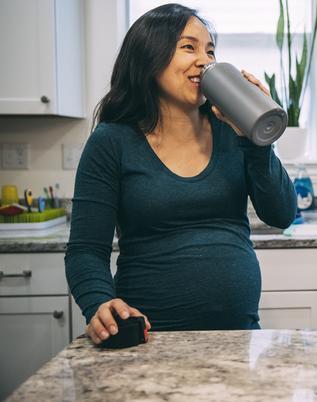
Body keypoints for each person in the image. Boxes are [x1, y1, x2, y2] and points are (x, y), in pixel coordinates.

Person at [65, 3, 297, 344]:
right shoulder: (112, 141)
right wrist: (99, 303)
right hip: (149, 339)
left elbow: (281, 214)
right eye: (189, 47)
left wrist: (256, 141)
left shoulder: (231, 131)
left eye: (210, 50)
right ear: (149, 56)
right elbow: (85, 249)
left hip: (238, 338)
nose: (205, 60)